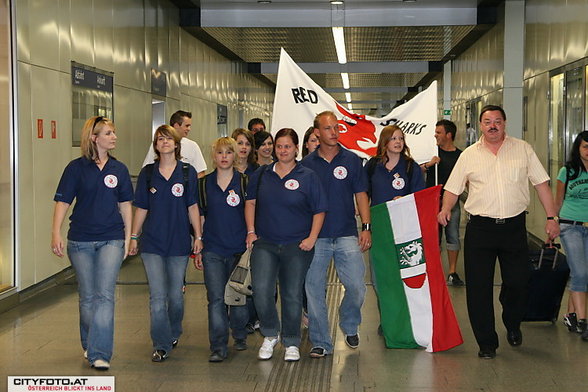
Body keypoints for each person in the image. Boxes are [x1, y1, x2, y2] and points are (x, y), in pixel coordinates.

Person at [438, 105, 560, 359]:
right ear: (480, 125)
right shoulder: (470, 154)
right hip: (480, 229)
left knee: (519, 283)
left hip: (514, 228)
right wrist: (445, 209)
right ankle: (487, 343)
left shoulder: (522, 149)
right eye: (487, 121)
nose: (492, 125)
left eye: (497, 121)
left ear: (505, 123)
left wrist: (551, 217)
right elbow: (452, 187)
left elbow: (541, 183)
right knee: (478, 288)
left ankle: (512, 320)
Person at [51, 116, 133, 371]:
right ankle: (89, 342)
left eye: (114, 132)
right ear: (94, 138)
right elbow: (63, 202)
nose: (114, 137)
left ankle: (100, 352)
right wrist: (56, 232)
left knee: (105, 295)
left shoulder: (119, 169)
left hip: (112, 238)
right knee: (87, 298)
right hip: (81, 241)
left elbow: (126, 206)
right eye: (108, 133)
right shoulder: (75, 168)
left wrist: (129, 237)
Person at [245, 128, 327, 362]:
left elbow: (319, 210)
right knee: (261, 291)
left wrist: (311, 238)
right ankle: (270, 334)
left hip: (296, 245)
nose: (282, 151)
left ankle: (291, 341)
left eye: (287, 146)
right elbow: (250, 203)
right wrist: (251, 231)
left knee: (291, 294)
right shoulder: (261, 174)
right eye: (278, 146)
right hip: (266, 244)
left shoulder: (308, 176)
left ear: (295, 148)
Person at [129, 125, 203, 363]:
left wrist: (198, 237)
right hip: (152, 243)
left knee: (176, 297)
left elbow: (193, 206)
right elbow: (141, 207)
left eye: (168, 138)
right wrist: (133, 236)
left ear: (176, 143)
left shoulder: (187, 172)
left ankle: (174, 331)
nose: (164, 142)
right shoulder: (148, 173)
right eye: (160, 139)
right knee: (158, 297)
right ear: (155, 145)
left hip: (179, 242)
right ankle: (161, 344)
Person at [301, 111, 371, 359]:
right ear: (317, 133)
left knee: (356, 287)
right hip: (316, 237)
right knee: (314, 290)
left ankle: (349, 324)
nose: (333, 133)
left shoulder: (352, 160)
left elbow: (361, 194)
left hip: (345, 233)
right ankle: (320, 341)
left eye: (336, 128)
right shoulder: (306, 165)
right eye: (328, 129)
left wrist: (366, 226)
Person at [193, 137, 250, 362]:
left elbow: (252, 214)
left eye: (228, 152)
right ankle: (218, 346)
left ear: (235, 155)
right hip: (213, 249)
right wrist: (198, 245)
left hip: (239, 250)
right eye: (220, 153)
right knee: (216, 299)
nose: (224, 157)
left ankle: (239, 333)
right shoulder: (203, 184)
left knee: (237, 297)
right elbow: (201, 216)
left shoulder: (245, 182)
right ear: (214, 156)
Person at [422, 120, 464, 286]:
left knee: (453, 235)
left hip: (452, 203)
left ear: (449, 135)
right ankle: (435, 270)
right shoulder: (432, 153)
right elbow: (415, 170)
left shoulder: (460, 156)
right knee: (433, 237)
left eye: (439, 132)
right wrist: (429, 164)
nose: (435, 135)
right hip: (432, 201)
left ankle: (452, 271)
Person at [555, 131, 588, 339]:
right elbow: (557, 201)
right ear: (578, 148)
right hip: (570, 225)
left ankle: (571, 314)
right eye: (585, 146)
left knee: (581, 272)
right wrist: (552, 223)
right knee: (581, 273)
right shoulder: (567, 171)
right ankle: (584, 323)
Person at [366, 125, 425, 206]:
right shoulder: (372, 165)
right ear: (385, 141)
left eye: (401, 138)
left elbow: (420, 196)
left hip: (404, 215)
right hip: (378, 216)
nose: (398, 141)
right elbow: (363, 192)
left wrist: (405, 201)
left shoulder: (411, 167)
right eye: (393, 138)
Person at [143, 110, 207, 178]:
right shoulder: (159, 144)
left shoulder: (192, 146)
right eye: (187, 126)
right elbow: (146, 170)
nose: (189, 129)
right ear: (176, 125)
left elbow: (200, 173)